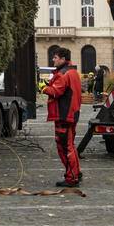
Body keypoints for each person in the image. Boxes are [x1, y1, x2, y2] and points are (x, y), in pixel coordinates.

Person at [43, 46, 83, 187]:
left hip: (64, 115)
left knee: (65, 147)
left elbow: (55, 92)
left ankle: (72, 178)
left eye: (55, 57)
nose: (53, 60)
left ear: (63, 59)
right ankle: (76, 173)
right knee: (70, 145)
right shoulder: (72, 72)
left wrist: (43, 87)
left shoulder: (63, 74)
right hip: (72, 114)